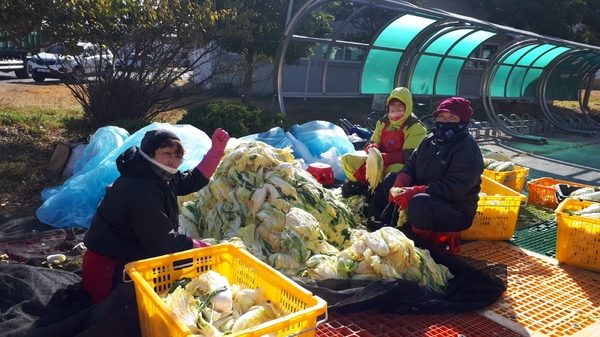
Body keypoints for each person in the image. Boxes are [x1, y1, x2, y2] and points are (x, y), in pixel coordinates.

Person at [81, 127, 230, 304]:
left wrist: (216, 151)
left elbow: (191, 181)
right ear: (149, 153)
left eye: (178, 156)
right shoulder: (140, 189)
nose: (173, 161)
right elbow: (164, 242)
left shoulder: (160, 175)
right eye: (167, 153)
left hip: (129, 260)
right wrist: (206, 248)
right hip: (108, 271)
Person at [385, 97, 484, 236]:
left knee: (420, 202)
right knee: (391, 179)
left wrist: (415, 191)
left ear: (463, 121)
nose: (445, 121)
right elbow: (411, 166)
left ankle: (418, 243)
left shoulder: (467, 147)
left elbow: (455, 187)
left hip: (456, 209)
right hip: (428, 194)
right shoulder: (430, 140)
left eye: (452, 118)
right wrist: (399, 183)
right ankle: (396, 226)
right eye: (441, 116)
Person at [341, 87, 427, 197]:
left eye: (400, 105)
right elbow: (372, 140)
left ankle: (379, 189)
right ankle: (363, 186)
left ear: (408, 106)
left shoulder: (416, 127)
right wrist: (372, 147)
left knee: (393, 171)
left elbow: (410, 155)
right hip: (379, 162)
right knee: (347, 160)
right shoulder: (382, 122)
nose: (396, 108)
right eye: (393, 105)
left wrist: (386, 158)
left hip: (399, 164)